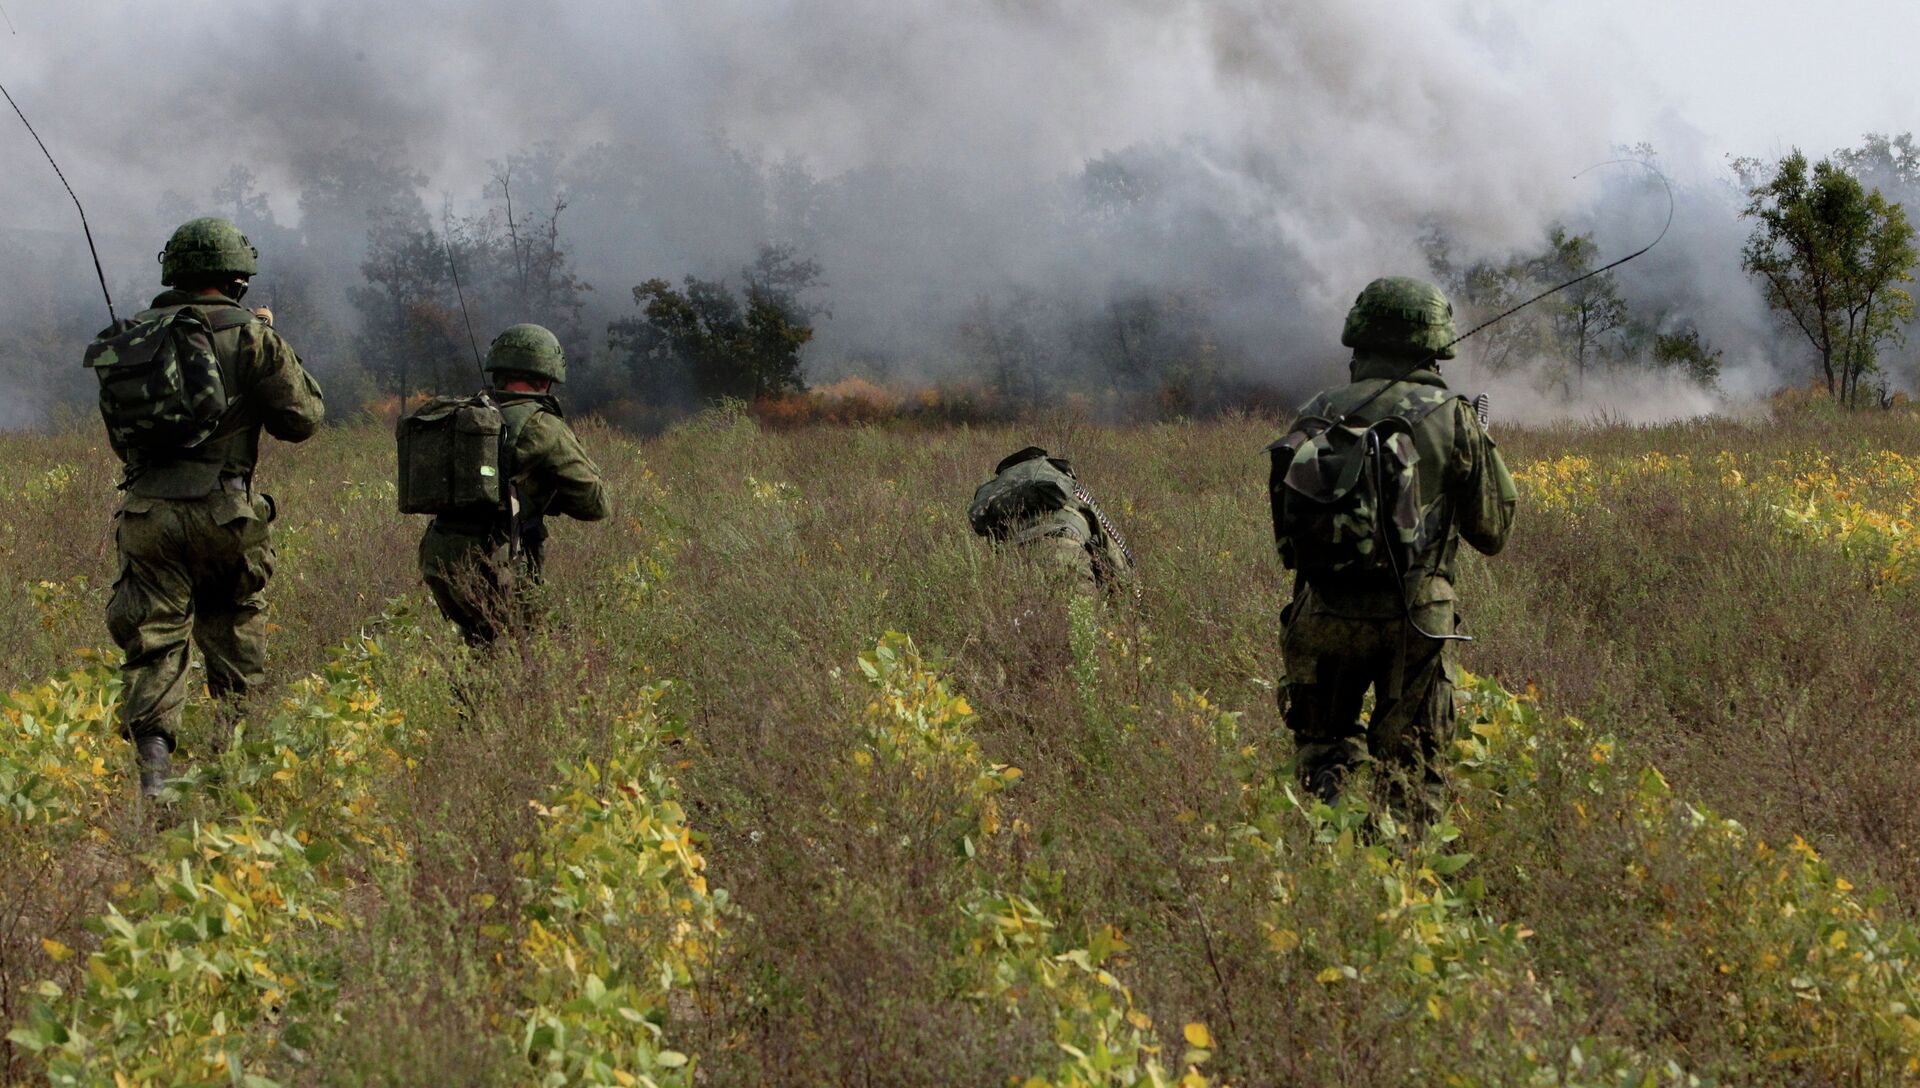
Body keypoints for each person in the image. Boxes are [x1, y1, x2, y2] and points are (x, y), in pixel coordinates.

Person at [1269, 276, 1515, 818]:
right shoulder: (1453, 415)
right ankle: (1399, 880)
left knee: (1322, 754)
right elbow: (1492, 532)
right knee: (1410, 771)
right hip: (1416, 619)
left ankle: (1326, 856)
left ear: (1358, 340)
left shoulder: (1317, 410)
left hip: (1323, 611)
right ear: (1437, 345)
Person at [100, 217, 325, 797]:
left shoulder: (131, 339)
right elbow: (302, 421)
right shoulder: (251, 334)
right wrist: (273, 345)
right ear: (237, 277)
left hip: (147, 515)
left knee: (153, 642)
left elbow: (123, 438)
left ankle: (154, 780)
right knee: (232, 627)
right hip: (226, 515)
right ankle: (231, 769)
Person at [417, 323, 610, 645]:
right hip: (496, 560)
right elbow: (595, 504)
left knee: (484, 646)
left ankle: (466, 695)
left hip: (439, 555)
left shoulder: (468, 413)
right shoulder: (541, 425)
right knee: (531, 655)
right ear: (546, 375)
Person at [968, 446, 1134, 593]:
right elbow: (1115, 562)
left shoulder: (1001, 511)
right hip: (1070, 560)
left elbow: (996, 558)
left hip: (1019, 574)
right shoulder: (1073, 500)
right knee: (1082, 623)